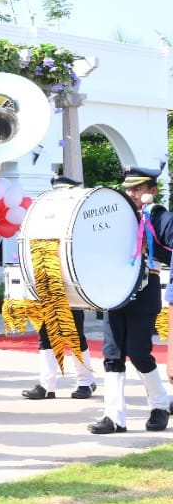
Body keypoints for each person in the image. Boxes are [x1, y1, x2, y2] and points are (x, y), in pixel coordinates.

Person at [88, 166, 172, 435]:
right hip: (114, 292)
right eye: (129, 188)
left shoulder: (161, 218)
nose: (132, 193)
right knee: (112, 355)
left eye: (138, 188)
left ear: (152, 191)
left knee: (137, 352)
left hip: (144, 291)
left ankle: (160, 404)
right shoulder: (119, 216)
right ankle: (114, 417)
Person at [21, 176, 98, 401]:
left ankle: (86, 381)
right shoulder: (46, 216)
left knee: (74, 334)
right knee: (46, 334)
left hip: (69, 282)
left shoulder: (77, 216)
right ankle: (47, 385)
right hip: (47, 279)